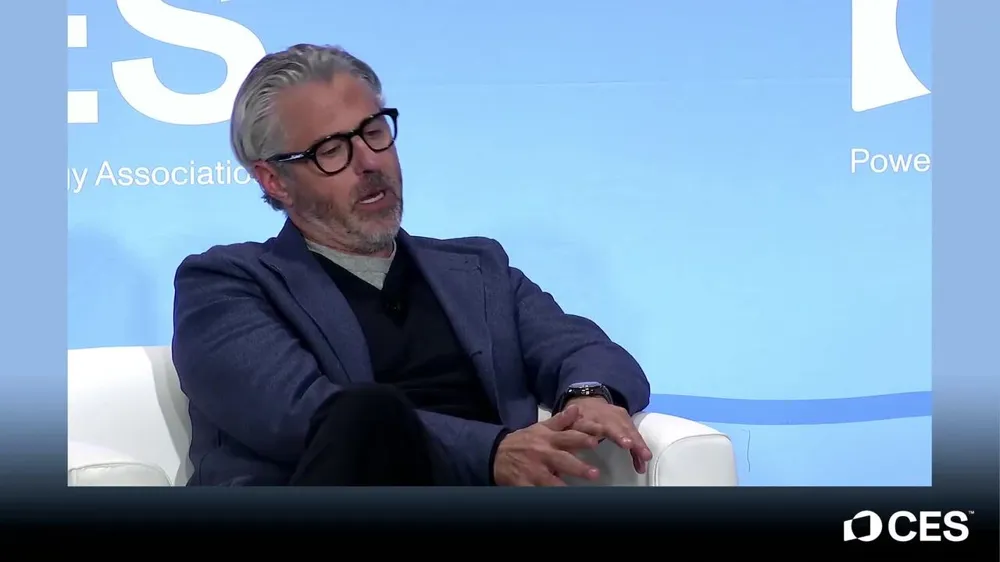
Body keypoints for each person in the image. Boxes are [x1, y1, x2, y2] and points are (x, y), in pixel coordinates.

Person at [171, 43, 653, 487]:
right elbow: (303, 415)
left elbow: (582, 347)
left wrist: (589, 396)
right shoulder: (226, 285)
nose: (369, 162)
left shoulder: (478, 269)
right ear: (274, 180)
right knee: (368, 412)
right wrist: (490, 451)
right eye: (332, 150)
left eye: (374, 132)